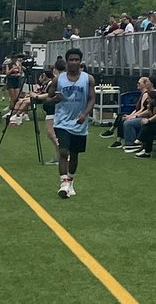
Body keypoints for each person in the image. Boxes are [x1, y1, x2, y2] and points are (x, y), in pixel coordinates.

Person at [32, 48, 95, 199]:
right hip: (62, 122)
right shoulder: (58, 79)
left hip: (79, 122)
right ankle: (63, 183)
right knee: (63, 152)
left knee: (74, 154)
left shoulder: (88, 79)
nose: (73, 62)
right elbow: (48, 98)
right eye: (71, 60)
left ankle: (71, 181)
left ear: (80, 62)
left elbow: (92, 98)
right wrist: (53, 100)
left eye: (76, 60)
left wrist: (85, 114)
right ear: (66, 62)